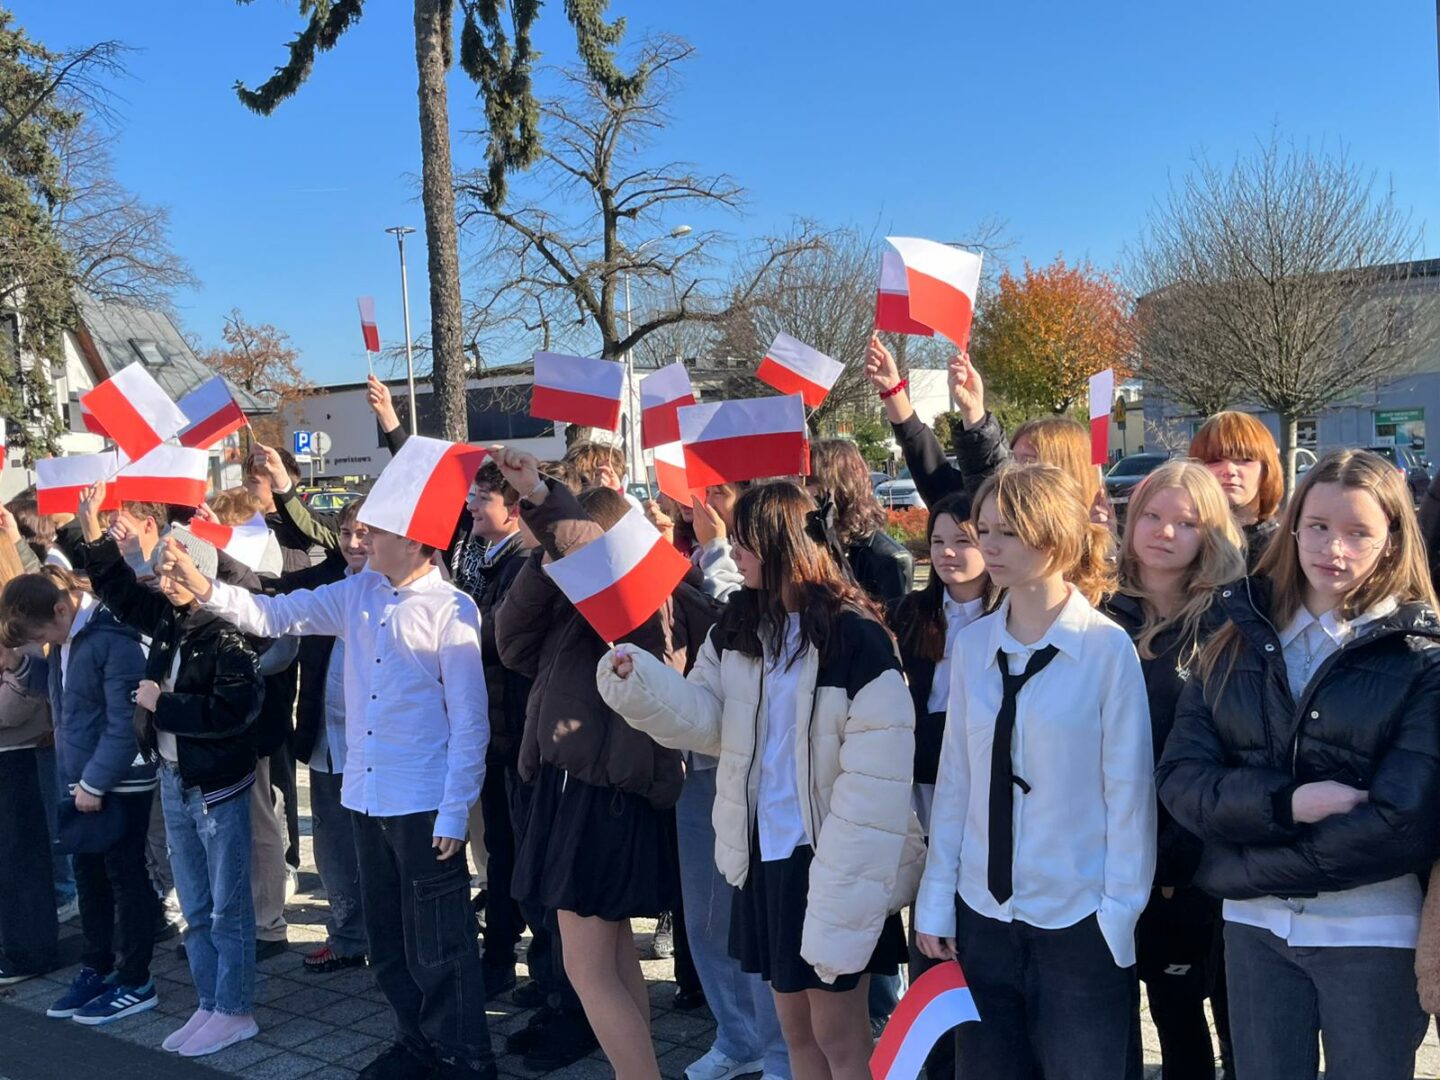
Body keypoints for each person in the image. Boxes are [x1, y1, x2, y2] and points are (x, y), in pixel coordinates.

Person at [157, 500, 497, 1080]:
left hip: (422, 803)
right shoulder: (358, 591)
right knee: (386, 937)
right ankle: (415, 1040)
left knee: (439, 939)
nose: (363, 539)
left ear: (415, 542)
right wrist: (204, 585)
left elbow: (470, 722)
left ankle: (463, 1056)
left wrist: (454, 810)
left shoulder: (452, 608)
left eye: (377, 531)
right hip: (365, 794)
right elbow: (273, 614)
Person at [599, 481, 922, 1080]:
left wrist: (844, 880)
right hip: (764, 854)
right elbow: (706, 720)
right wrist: (638, 681)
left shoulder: (856, 636)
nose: (734, 551)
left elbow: (877, 781)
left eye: (744, 541)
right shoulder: (739, 627)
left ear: (782, 544)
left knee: (840, 1038)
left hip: (830, 859)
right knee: (794, 1032)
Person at [1157, 449, 1440, 1080]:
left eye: (1358, 532)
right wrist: (1286, 804)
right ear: (1292, 528)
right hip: (1252, 928)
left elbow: (1403, 823)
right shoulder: (1233, 638)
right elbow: (1181, 781)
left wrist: (1239, 864)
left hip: (1371, 930)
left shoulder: (1421, 658)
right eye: (1317, 526)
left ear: (1393, 541)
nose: (1333, 548)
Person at [915, 463, 1154, 1079]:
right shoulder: (973, 647)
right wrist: (937, 901)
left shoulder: (1105, 649)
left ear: (1054, 537)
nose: (989, 546)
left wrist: (1117, 916)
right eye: (985, 529)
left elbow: (1129, 795)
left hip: (1078, 918)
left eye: (1008, 532)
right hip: (983, 917)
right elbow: (957, 784)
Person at [492, 449, 713, 1080]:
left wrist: (544, 501)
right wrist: (546, 565)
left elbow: (592, 557)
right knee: (611, 959)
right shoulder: (577, 603)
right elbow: (511, 644)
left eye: (566, 545)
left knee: (587, 968)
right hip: (576, 789)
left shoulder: (644, 601)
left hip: (603, 793)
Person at [74, 482, 266, 1058]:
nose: (163, 579)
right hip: (176, 778)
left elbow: (236, 711)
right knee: (197, 905)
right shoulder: (170, 620)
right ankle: (210, 1001)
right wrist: (91, 532)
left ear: (200, 572)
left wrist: (166, 705)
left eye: (174, 569)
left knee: (228, 905)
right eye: (160, 569)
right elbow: (119, 592)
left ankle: (235, 1008)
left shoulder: (227, 633)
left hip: (217, 786)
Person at [1103, 462, 1246, 1080]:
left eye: (1185, 523)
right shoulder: (1095, 612)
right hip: (1121, 852)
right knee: (1170, 1014)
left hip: (1212, 855)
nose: (1164, 532)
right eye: (1153, 517)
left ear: (1210, 533)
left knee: (1238, 1019)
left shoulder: (1235, 621)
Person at [0, 564, 158, 1025]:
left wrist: (93, 782)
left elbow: (124, 721)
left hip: (118, 781)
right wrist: (20, 665)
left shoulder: (111, 636)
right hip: (84, 778)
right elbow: (67, 694)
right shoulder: (68, 637)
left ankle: (136, 979)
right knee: (90, 878)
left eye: (41, 635)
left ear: (61, 608)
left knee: (126, 877)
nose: (43, 642)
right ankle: (98, 966)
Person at [886, 490, 993, 1080]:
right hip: (922, 795)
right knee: (928, 933)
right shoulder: (911, 612)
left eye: (963, 540)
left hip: (987, 802)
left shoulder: (1010, 616)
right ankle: (934, 1064)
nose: (948, 553)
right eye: (938, 541)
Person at [451, 460, 533, 997]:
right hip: (499, 730)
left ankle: (519, 963)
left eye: (484, 498)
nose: (473, 506)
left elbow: (501, 641)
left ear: (515, 509)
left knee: (515, 852)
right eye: (473, 496)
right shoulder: (489, 558)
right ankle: (501, 954)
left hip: (517, 732)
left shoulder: (522, 562)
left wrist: (449, 617)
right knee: (502, 850)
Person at [281, 497, 370, 975]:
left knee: (379, 849)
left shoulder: (400, 592)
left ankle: (389, 936)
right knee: (333, 844)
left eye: (364, 534)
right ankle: (348, 936)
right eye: (347, 533)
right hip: (327, 736)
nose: (354, 543)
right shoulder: (328, 585)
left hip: (376, 749)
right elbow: (271, 599)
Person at [0, 521, 60, 987]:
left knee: (20, 856)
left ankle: (28, 951)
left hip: (16, 752)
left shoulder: (16, 626)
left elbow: (23, 701)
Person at [863, 335, 1008, 509]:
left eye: (1027, 460)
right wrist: (892, 389)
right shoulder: (963, 505)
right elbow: (928, 464)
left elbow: (995, 486)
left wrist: (974, 412)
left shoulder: (1000, 508)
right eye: (1013, 456)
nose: (1018, 470)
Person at [808, 438, 913, 606]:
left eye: (809, 482)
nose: (802, 489)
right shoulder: (810, 542)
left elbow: (893, 620)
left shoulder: (888, 559)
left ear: (839, 485)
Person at [1187, 411, 1284, 571]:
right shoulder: (1185, 542)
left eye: (1245, 459)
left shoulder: (1286, 549)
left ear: (1266, 469)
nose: (1230, 470)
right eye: (1215, 460)